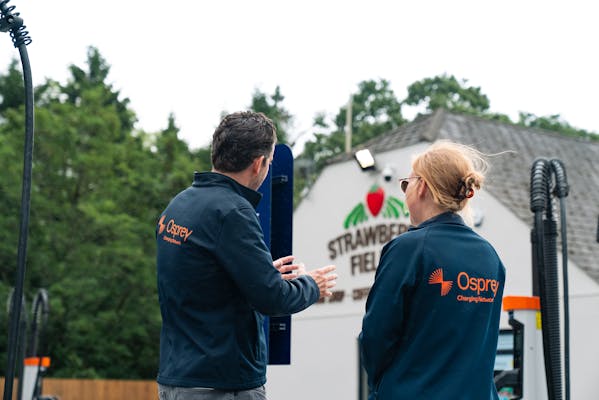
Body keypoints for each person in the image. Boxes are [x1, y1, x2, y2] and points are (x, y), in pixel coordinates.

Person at [156, 111, 337, 400]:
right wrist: (312, 284)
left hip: (177, 380)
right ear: (259, 164)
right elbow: (273, 299)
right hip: (222, 385)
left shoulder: (179, 206)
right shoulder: (233, 211)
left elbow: (201, 280)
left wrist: (261, 272)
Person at [359, 140, 506, 400]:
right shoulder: (490, 256)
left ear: (422, 187)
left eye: (406, 183)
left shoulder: (409, 249)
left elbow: (376, 337)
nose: (405, 192)